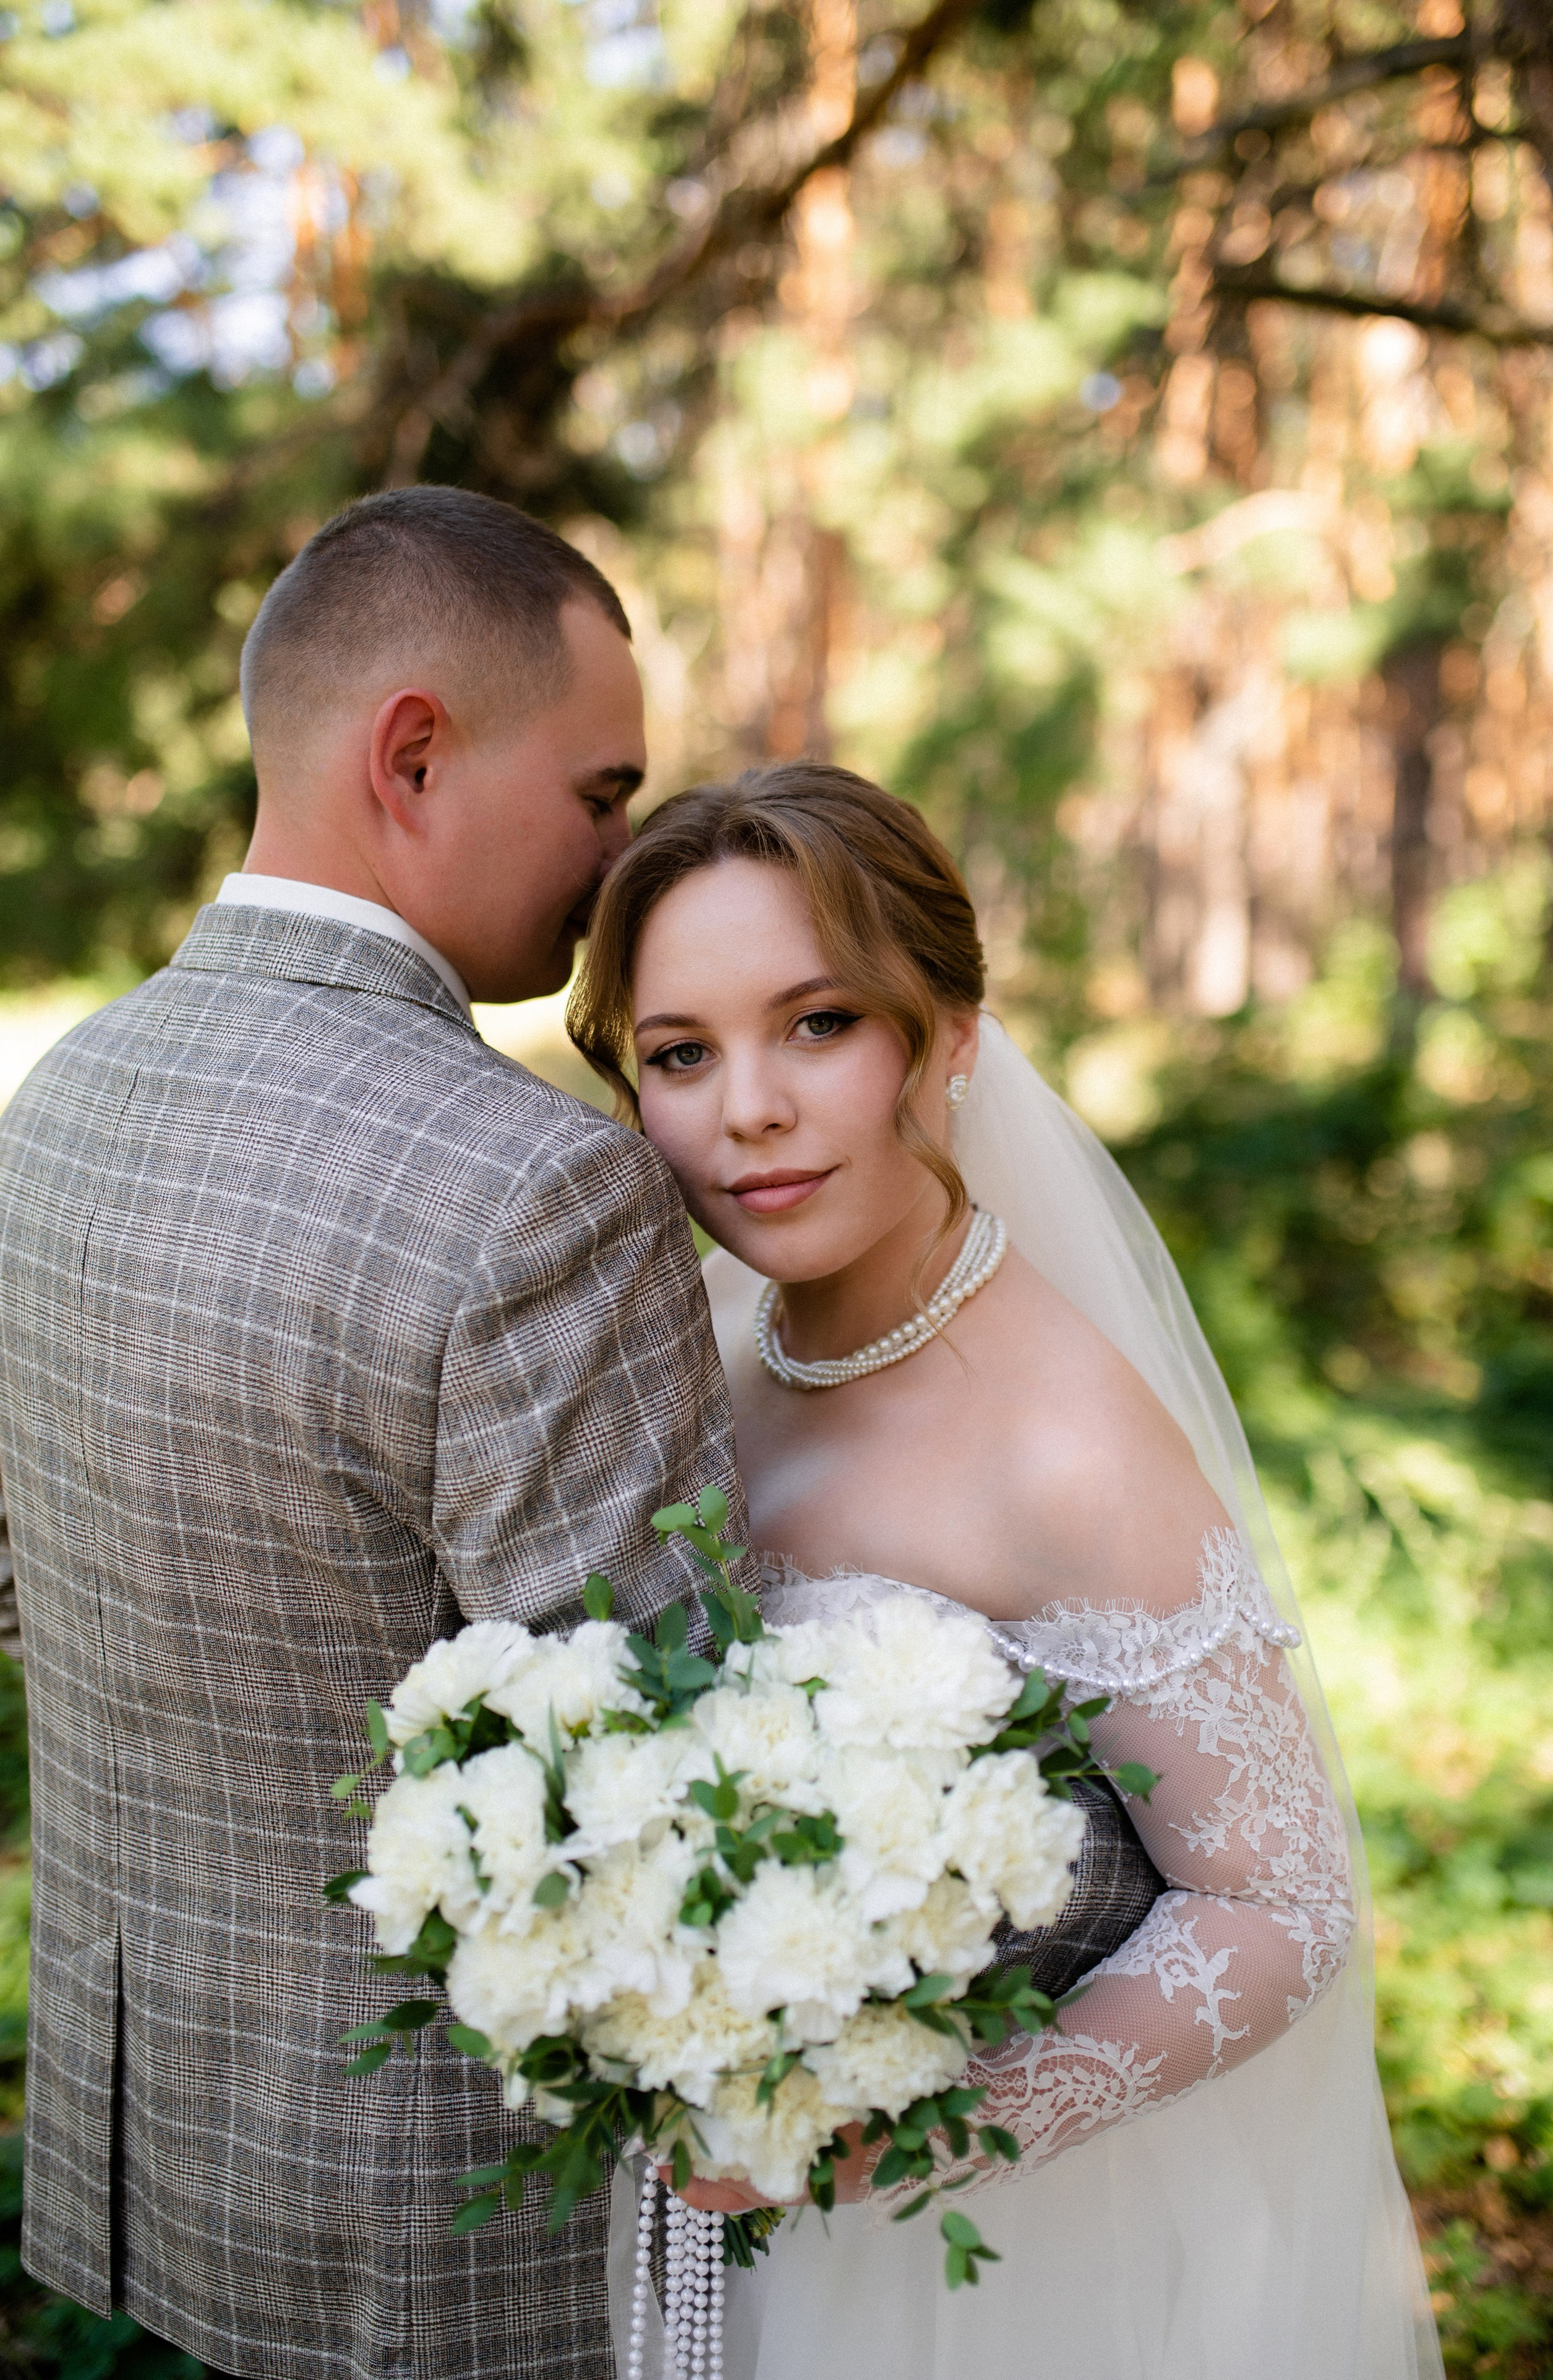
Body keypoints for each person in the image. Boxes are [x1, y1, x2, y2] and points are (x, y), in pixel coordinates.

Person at [568, 761, 1445, 2380]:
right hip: (704, 2213)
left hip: (987, 2263)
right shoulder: (692, 1340)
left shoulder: (1067, 1451)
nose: (746, 1106)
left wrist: (897, 2137)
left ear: (949, 1033)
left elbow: (1277, 1905)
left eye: (819, 1023)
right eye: (682, 1054)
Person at [0, 487, 747, 2379]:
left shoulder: (61, 1101)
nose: (617, 858)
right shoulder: (539, 1192)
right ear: (413, 754)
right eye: (600, 794)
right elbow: (658, 1769)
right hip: (442, 2214)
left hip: (145, 2131)